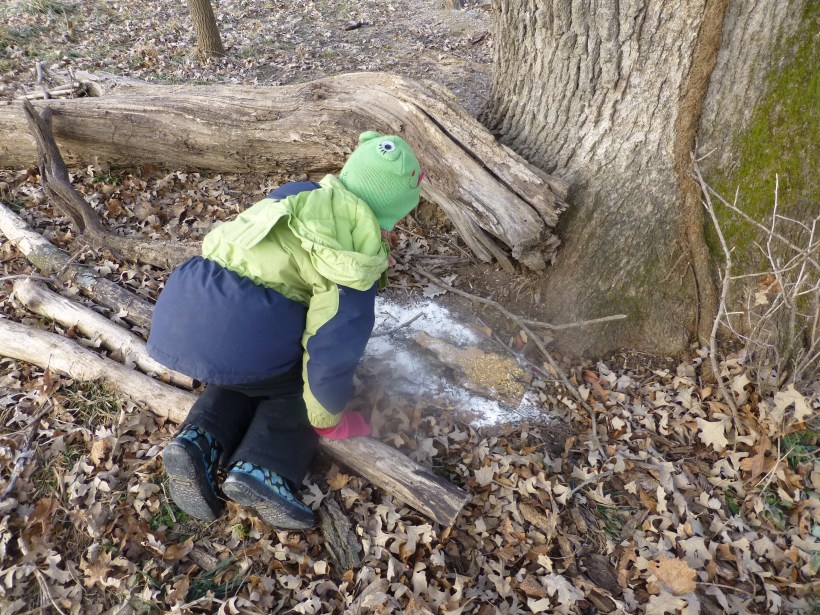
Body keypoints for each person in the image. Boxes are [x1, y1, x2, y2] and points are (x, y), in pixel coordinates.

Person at [146, 131, 424, 529]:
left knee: (250, 375)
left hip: (184, 307)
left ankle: (198, 440)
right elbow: (331, 352)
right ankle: (263, 470)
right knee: (297, 383)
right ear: (393, 212)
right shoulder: (353, 264)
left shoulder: (300, 193)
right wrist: (329, 419)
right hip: (245, 335)